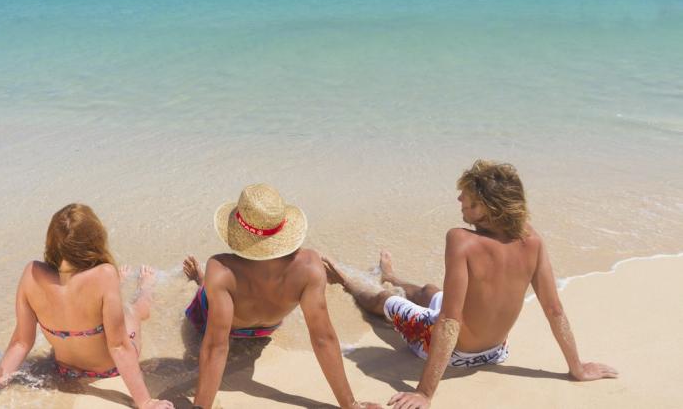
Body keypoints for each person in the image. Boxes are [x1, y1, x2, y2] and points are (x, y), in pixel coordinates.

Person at [323, 160, 618, 409]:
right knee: (429, 291)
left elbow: (450, 322)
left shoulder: (461, 240)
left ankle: (343, 277)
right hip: (497, 351)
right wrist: (576, 368)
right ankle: (392, 276)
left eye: (466, 198)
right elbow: (554, 309)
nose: (459, 201)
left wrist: (425, 393)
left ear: (486, 208)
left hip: (455, 354)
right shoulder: (533, 240)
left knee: (384, 301)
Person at [182, 184, 381, 409]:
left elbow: (215, 347)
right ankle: (208, 286)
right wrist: (350, 404)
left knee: (213, 288)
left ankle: (203, 283)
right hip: (266, 329)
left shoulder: (220, 268)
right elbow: (323, 338)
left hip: (221, 323)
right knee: (226, 289)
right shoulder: (310, 266)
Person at [0, 203, 172, 409]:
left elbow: (20, 343)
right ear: (94, 240)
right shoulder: (105, 273)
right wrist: (145, 402)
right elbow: (119, 346)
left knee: (106, 305)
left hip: (67, 370)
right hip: (110, 368)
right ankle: (145, 287)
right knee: (134, 311)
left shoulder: (31, 274)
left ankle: (110, 294)